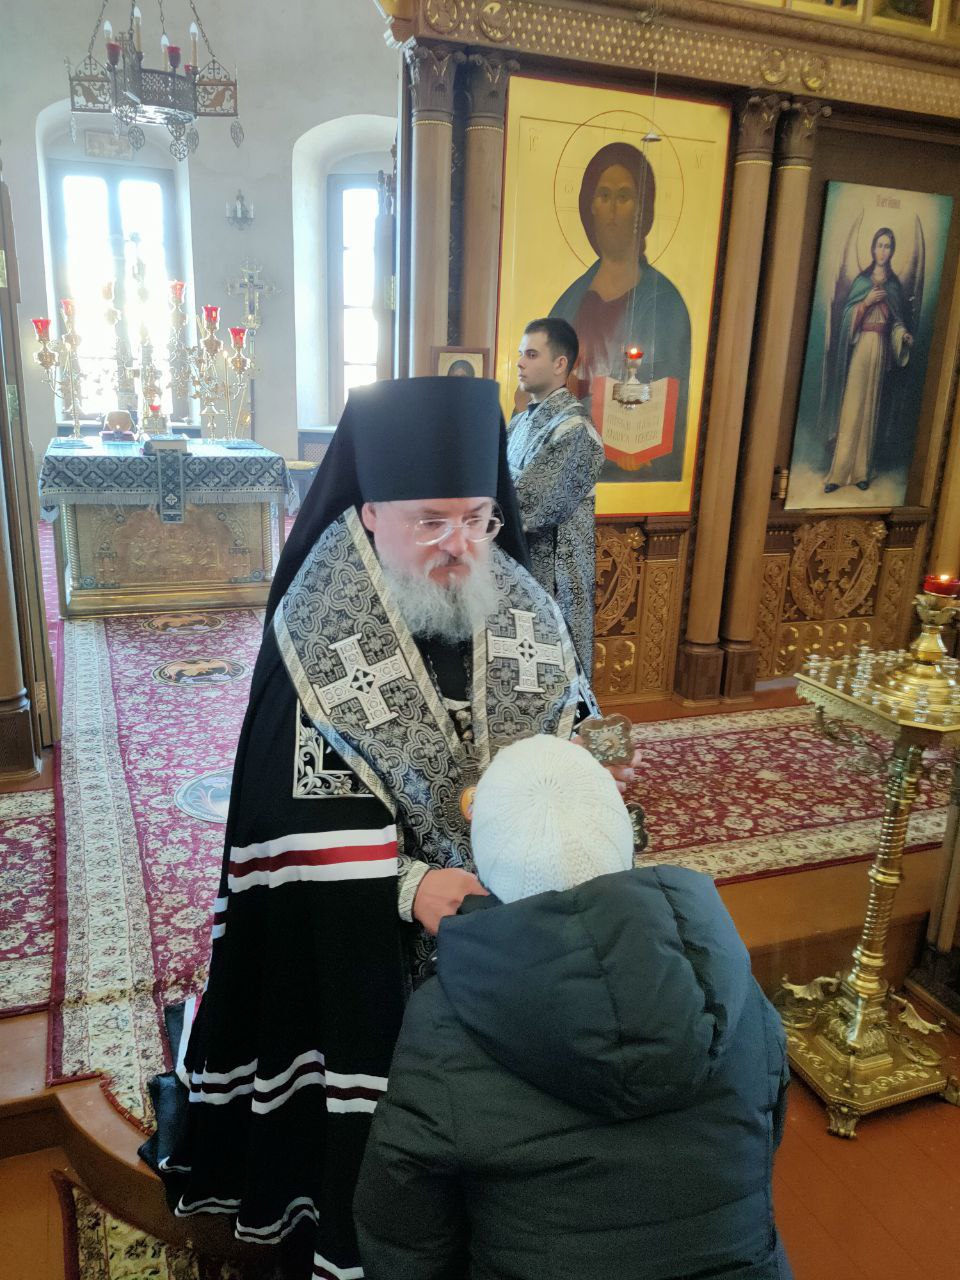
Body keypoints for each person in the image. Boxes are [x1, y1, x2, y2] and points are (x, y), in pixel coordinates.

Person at [141, 378, 635, 1280]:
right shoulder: (316, 624)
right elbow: (282, 817)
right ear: (371, 513)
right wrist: (407, 886)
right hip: (373, 950)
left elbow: (566, 730)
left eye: (478, 518)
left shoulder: (520, 601)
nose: (461, 546)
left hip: (514, 925)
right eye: (431, 522)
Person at [355, 734, 793, 1280]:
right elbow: (763, 1138)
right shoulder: (732, 980)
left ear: (484, 868)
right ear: (625, 838)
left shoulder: (443, 1024)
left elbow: (403, 1228)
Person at [550, 141, 691, 484]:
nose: (612, 208)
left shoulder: (665, 302)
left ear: (641, 210)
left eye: (624, 197)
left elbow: (675, 398)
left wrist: (640, 443)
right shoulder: (569, 301)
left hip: (632, 473)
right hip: (569, 468)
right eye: (604, 195)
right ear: (591, 206)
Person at [508, 318, 604, 673]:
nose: (520, 362)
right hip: (517, 569)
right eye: (521, 354)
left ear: (560, 363)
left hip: (553, 579)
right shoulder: (520, 422)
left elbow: (528, 506)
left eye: (531, 354)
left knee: (554, 675)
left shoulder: (574, 430)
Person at [822, 226, 914, 494]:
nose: (882, 251)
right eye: (879, 245)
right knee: (852, 407)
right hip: (862, 346)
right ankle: (839, 473)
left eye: (887, 246)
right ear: (872, 248)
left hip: (881, 348)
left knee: (870, 409)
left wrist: (903, 334)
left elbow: (895, 322)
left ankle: (862, 471)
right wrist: (866, 302)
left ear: (892, 251)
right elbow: (847, 318)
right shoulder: (862, 281)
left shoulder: (894, 286)